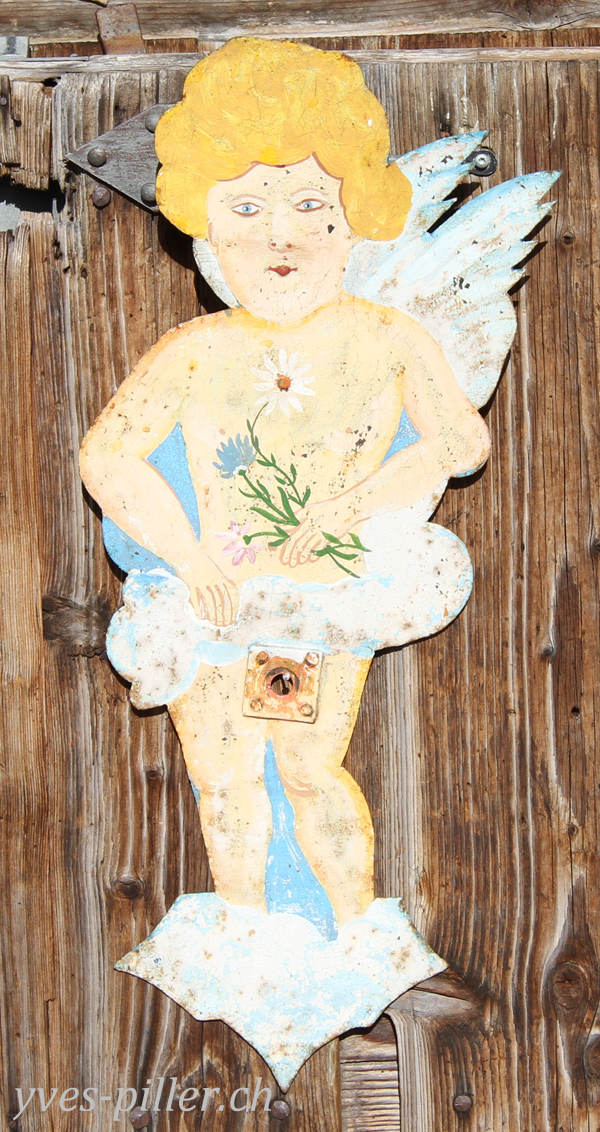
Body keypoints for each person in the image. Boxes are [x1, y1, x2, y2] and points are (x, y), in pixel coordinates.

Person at [80, 37, 489, 931]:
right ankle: (245, 936)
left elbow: (461, 439)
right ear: (209, 221)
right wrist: (190, 560)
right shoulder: (196, 350)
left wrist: (357, 504)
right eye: (247, 206)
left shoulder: (385, 337)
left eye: (310, 204)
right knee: (222, 781)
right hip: (211, 603)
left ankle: (351, 935)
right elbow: (106, 457)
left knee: (306, 769)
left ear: (353, 215)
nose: (281, 235)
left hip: (313, 605)